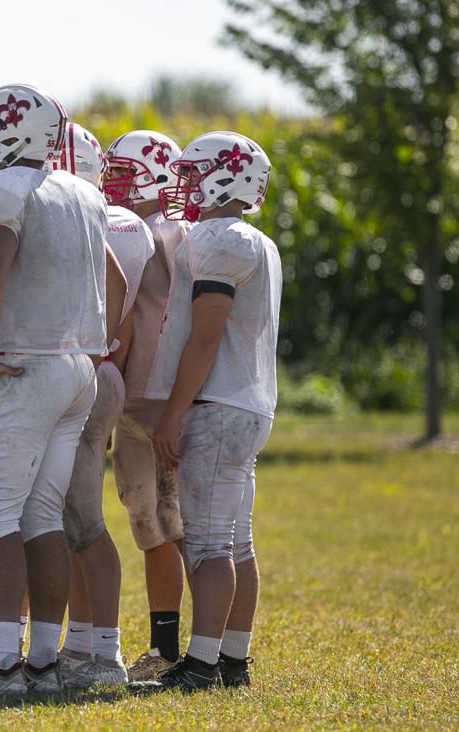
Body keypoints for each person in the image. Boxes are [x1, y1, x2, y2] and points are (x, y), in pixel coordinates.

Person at [0, 84, 125, 699]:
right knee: (42, 514)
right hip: (76, 371)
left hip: (24, 367)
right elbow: (114, 283)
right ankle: (42, 662)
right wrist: (92, 345)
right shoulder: (84, 193)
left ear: (11, 133)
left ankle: (4, 668)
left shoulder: (0, 191)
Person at [139, 131, 278, 692]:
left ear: (226, 175)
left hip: (217, 401)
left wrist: (172, 412)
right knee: (234, 540)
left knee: (208, 543)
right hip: (245, 401)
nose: (185, 185)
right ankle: (233, 660)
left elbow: (204, 334)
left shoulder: (219, 238)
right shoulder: (255, 239)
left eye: (195, 173)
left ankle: (199, 666)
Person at [51, 123, 154, 689]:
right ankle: (80, 644)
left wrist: (88, 349)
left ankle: (104, 652)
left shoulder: (94, 217)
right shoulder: (122, 222)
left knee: (83, 522)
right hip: (101, 370)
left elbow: (114, 292)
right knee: (65, 521)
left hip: (81, 371)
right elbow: (132, 317)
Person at [100, 129, 191, 681]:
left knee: (179, 525)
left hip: (160, 396)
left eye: (124, 172)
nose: (113, 183)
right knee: (149, 524)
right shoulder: (148, 230)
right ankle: (166, 648)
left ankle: (201, 647)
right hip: (137, 396)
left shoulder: (174, 236)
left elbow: (129, 318)